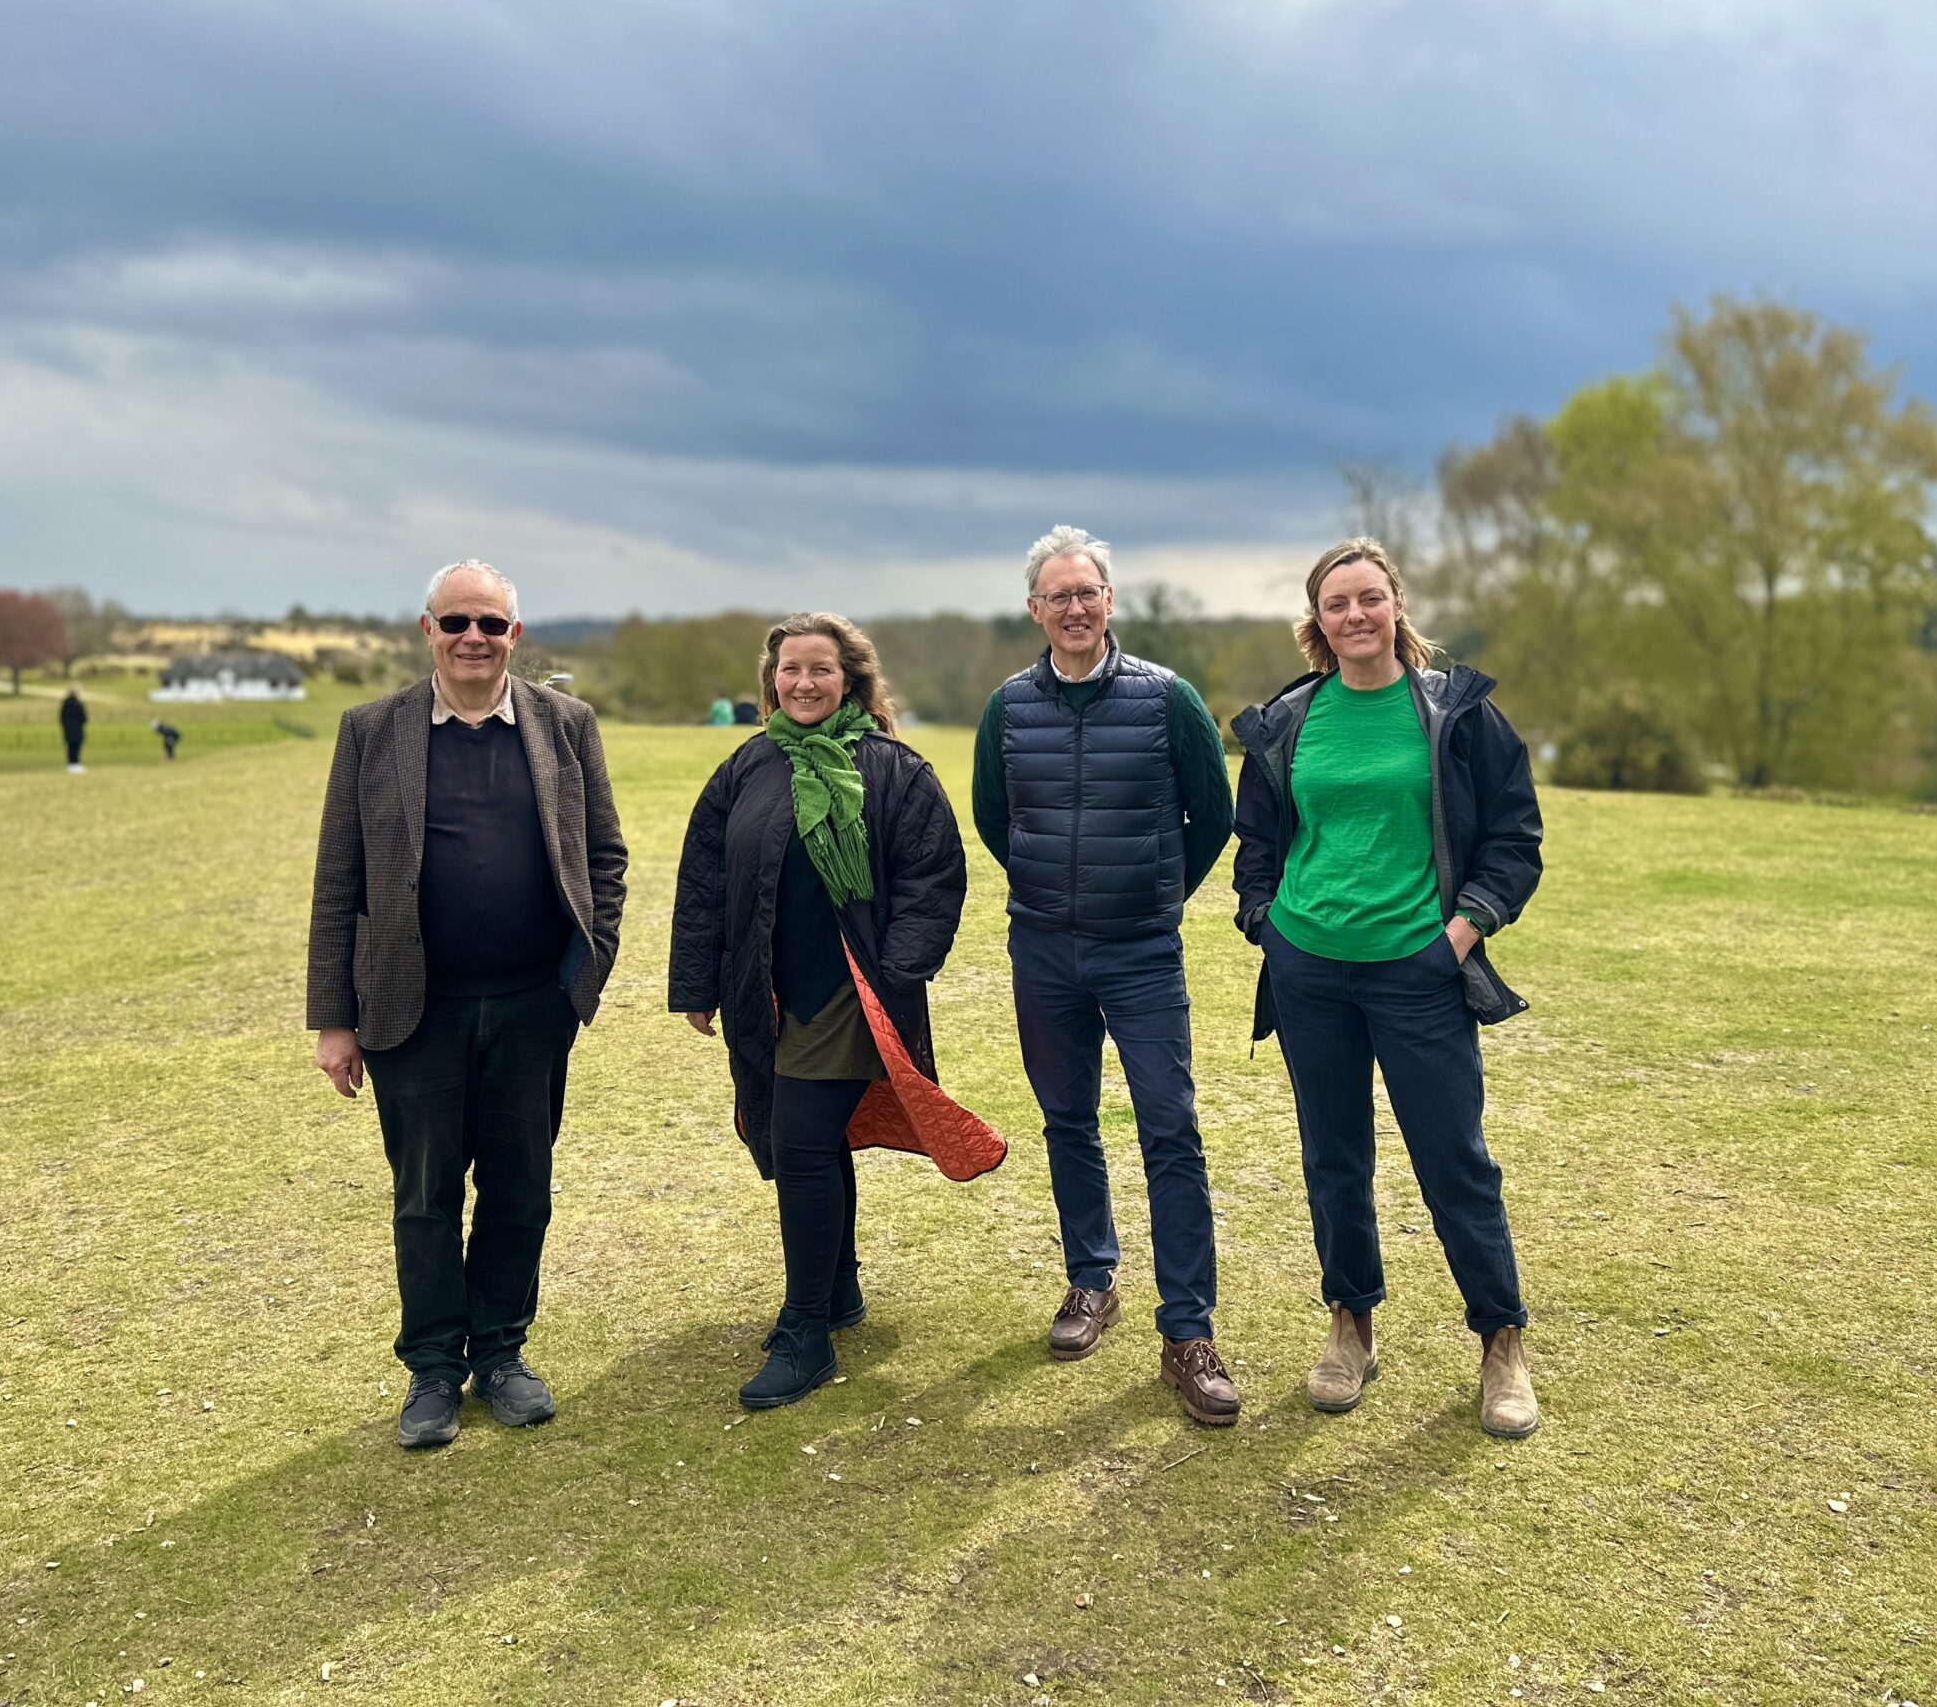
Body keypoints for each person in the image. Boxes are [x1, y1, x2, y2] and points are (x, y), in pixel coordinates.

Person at [307, 559, 629, 1450]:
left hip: (533, 1007)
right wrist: (335, 1019)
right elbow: (340, 879)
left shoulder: (566, 726)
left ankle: (501, 1353)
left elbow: (605, 856)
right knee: (424, 1196)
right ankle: (433, 1370)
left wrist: (585, 975)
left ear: (515, 635)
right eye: (457, 623)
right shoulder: (373, 730)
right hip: (415, 1012)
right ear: (427, 631)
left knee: (521, 1189)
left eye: (490, 623)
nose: (474, 638)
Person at [1228, 536, 1545, 1436]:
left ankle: (1502, 1344)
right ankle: (1350, 1324)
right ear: (1317, 623)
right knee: (1334, 1160)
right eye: (1338, 604)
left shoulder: (1456, 714)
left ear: (1396, 605)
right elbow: (1256, 842)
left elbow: (1513, 841)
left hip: (1419, 973)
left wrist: (1458, 935)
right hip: (1309, 971)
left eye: (1370, 598)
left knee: (1454, 1162)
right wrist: (1269, 924)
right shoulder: (1290, 722)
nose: (1356, 616)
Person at [670, 612, 997, 1411]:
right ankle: (841, 1284)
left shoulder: (893, 770)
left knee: (804, 1142)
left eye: (821, 669)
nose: (805, 683)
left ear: (850, 679)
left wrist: (898, 970)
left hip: (853, 994)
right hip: (768, 993)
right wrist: (696, 986)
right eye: (790, 670)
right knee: (800, 1139)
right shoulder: (747, 768)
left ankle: (807, 1329)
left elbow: (933, 875)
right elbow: (705, 881)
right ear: (771, 680)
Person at [970, 526, 1243, 1425]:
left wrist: (1158, 894)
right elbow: (992, 817)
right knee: (1067, 1120)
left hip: (1141, 953)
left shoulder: (1169, 699)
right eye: (1059, 596)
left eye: (1088, 593)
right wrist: (1052, 889)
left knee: (1171, 1127)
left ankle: (1189, 1333)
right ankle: (1091, 1281)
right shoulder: (1008, 708)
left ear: (1109, 601)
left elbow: (1214, 814)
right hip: (1044, 949)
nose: (1075, 609)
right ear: (1035, 610)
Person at [59, 686, 88, 772]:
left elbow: (62, 718)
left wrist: (65, 726)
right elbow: (84, 718)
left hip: (68, 730)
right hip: (78, 729)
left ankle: (71, 764)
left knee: (70, 747)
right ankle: (76, 763)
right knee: (76, 747)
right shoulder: (78, 705)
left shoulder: (65, 705)